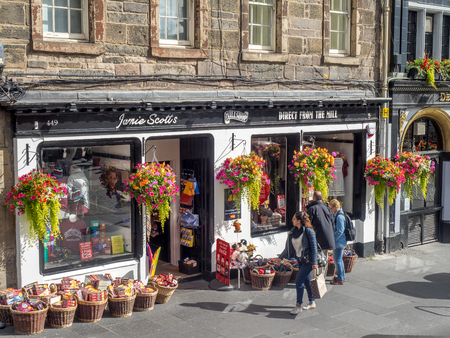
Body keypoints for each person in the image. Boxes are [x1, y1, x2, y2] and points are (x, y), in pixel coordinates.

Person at [278, 211, 318, 315]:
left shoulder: (309, 231)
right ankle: (312, 302)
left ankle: (298, 305)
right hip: (300, 259)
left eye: (294, 219)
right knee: (306, 280)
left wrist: (314, 262)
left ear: (299, 221)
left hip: (308, 260)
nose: (292, 221)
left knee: (298, 280)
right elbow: (288, 247)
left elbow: (314, 248)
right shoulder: (293, 231)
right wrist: (281, 257)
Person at [329, 199, 347, 285]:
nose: (331, 210)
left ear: (336, 207)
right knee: (339, 259)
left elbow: (340, 230)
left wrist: (333, 239)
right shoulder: (338, 214)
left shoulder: (339, 216)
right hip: (340, 241)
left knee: (337, 260)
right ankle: (341, 276)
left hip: (339, 242)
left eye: (331, 208)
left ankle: (340, 278)